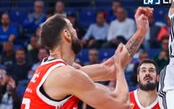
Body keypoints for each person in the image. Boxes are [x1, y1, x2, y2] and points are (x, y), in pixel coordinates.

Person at [21, 7, 153, 108]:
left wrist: (141, 32)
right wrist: (119, 69)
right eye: (72, 28)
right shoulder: (65, 75)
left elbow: (109, 69)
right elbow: (120, 104)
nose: (76, 32)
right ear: (66, 34)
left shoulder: (59, 69)